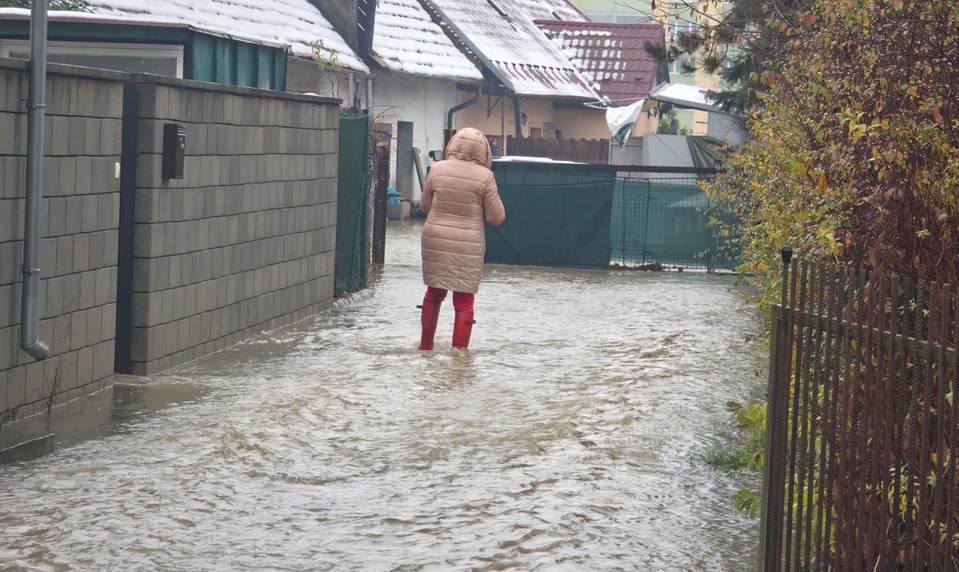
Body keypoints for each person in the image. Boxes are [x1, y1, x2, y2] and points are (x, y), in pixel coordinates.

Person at [418, 128, 506, 350]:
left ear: (453, 145)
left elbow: (425, 206)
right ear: (484, 151)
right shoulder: (486, 177)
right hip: (468, 243)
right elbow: (496, 217)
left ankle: (425, 347)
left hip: (435, 238)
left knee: (434, 290)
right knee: (464, 298)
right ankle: (459, 355)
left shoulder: (437, 169)